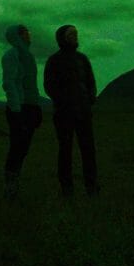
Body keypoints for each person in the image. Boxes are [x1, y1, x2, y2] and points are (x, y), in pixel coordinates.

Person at [43, 24, 98, 197]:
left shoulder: (82, 59)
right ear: (62, 38)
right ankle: (67, 189)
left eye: (76, 33)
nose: (75, 36)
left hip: (83, 111)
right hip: (64, 113)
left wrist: (89, 100)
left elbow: (90, 82)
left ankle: (92, 187)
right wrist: (63, 102)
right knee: (65, 150)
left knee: (88, 150)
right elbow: (49, 86)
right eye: (71, 34)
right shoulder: (54, 60)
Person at [1, 24, 42, 199]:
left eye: (28, 31)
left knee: (24, 148)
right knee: (17, 147)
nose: (29, 34)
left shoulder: (28, 56)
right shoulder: (12, 55)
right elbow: (9, 83)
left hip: (30, 107)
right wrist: (16, 111)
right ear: (17, 36)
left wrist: (36, 107)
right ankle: (10, 184)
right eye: (25, 32)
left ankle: (14, 180)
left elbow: (31, 85)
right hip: (19, 108)